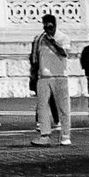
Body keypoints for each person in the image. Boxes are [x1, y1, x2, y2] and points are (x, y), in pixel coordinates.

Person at [32, 11, 74, 147]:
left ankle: (65, 136)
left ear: (55, 25)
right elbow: (35, 58)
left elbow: (65, 53)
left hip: (60, 76)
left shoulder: (63, 38)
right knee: (42, 107)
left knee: (63, 108)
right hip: (43, 77)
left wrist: (53, 42)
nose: (47, 30)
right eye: (45, 27)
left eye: (50, 27)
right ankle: (45, 135)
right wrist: (33, 76)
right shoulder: (39, 39)